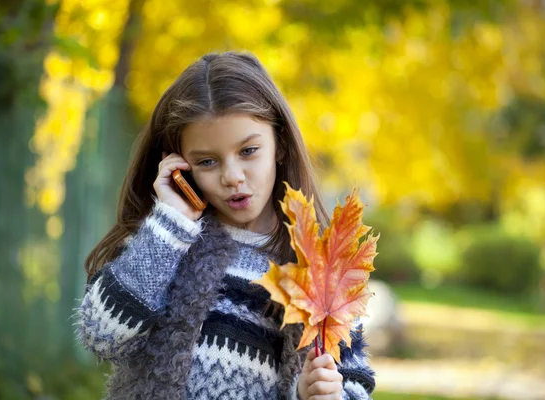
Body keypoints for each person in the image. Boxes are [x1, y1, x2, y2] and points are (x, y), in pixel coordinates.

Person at [76, 51, 375, 400]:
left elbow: (354, 381)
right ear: (179, 166)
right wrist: (169, 224)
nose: (232, 177)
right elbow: (101, 335)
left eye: (248, 151)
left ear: (278, 143)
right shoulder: (163, 242)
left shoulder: (321, 269)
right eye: (207, 161)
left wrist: (316, 394)